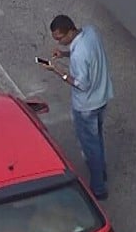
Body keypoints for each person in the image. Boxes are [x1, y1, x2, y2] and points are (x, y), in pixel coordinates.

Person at [40, 14, 114, 200]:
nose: (60, 42)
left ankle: (98, 188)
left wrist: (58, 71)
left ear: (70, 31)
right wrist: (65, 54)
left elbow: (81, 84)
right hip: (101, 97)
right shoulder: (91, 32)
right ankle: (102, 171)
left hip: (86, 106)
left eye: (60, 38)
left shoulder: (79, 55)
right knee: (97, 139)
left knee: (90, 147)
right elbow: (87, 55)